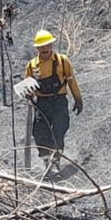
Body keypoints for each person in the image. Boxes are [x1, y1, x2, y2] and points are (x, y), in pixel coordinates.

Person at [24, 29, 83, 173]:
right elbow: (27, 87)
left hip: (59, 101)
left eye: (47, 46)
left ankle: (56, 160)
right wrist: (29, 95)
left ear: (52, 45)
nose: (45, 49)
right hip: (42, 103)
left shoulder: (62, 61)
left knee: (59, 129)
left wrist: (78, 98)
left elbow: (71, 81)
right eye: (42, 46)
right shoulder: (32, 66)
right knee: (39, 132)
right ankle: (46, 161)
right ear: (37, 48)